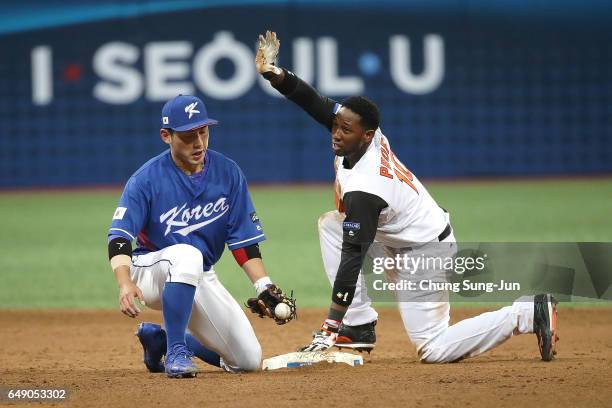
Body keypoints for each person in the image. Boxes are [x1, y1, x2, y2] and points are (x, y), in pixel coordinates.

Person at [255, 31, 558, 362]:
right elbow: (313, 101)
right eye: (337, 126)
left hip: (425, 251)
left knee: (433, 347)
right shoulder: (361, 132)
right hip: (398, 236)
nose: (337, 133)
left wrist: (330, 324)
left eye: (346, 130)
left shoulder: (366, 188)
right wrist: (276, 74)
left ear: (367, 135)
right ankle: (358, 327)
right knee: (331, 224)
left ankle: (527, 313)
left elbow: (352, 259)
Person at [107, 94, 294, 378]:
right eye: (187, 136)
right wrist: (124, 283)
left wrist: (263, 286)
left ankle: (162, 341)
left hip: (198, 275)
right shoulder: (146, 179)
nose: (198, 143)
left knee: (248, 360)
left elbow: (243, 241)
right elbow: (119, 237)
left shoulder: (228, 173)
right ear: (166, 136)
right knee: (187, 254)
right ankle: (176, 352)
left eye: (202, 132)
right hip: (150, 273)